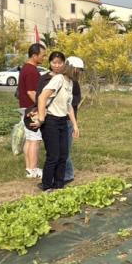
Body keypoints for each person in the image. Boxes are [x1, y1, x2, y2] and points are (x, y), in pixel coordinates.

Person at [34, 51, 79, 191]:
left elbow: (69, 105)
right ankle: (46, 185)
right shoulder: (58, 79)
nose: (79, 73)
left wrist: (75, 125)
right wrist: (41, 118)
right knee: (53, 155)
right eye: (78, 70)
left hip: (62, 121)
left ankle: (59, 184)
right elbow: (42, 97)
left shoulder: (70, 82)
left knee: (63, 155)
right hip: (51, 121)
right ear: (71, 68)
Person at [16, 42, 44, 179]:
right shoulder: (32, 71)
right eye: (42, 55)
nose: (44, 58)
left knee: (29, 139)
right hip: (31, 109)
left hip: (24, 108)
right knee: (35, 140)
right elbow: (31, 92)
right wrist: (41, 108)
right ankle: (33, 169)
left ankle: (29, 168)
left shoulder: (25, 68)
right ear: (34, 55)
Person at [62, 55, 84, 183]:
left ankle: (68, 175)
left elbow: (76, 99)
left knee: (66, 149)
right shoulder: (62, 80)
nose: (79, 73)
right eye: (78, 70)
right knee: (61, 149)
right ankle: (64, 174)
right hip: (59, 118)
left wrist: (67, 102)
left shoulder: (73, 83)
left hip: (69, 119)